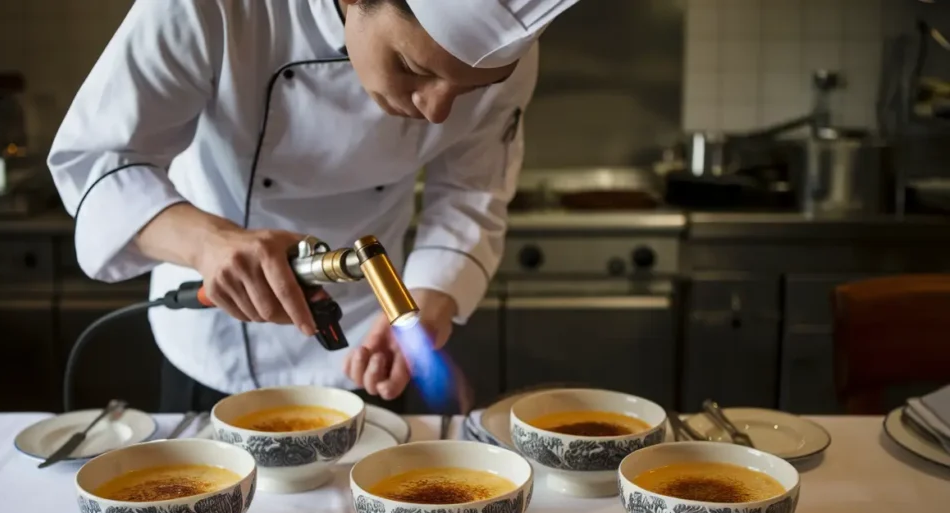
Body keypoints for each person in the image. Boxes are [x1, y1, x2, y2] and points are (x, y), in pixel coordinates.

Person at [49, 0, 581, 413]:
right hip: (218, 348)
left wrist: (429, 298)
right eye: (414, 66)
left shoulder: (509, 47)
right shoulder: (214, 7)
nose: (437, 109)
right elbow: (99, 160)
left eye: (469, 90)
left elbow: (469, 192)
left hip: (369, 349)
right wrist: (210, 243)